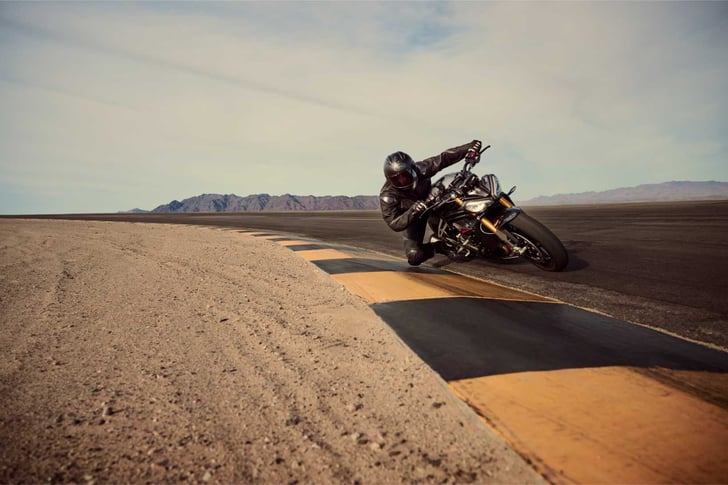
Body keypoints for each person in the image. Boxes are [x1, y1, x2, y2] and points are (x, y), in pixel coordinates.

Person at [379, 139, 482, 266]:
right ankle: (440, 246)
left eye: (405, 176)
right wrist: (413, 211)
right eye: (396, 180)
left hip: (433, 200)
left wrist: (469, 147)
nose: (402, 182)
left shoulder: (421, 169)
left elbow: (444, 158)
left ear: (412, 169)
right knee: (414, 256)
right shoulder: (387, 196)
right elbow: (394, 223)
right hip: (414, 217)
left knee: (461, 192)